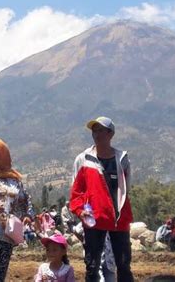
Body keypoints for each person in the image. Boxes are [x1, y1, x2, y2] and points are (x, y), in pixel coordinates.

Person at [69, 116, 134, 282]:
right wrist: (80, 210)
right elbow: (76, 192)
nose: (96, 134)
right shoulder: (83, 159)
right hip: (94, 219)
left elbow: (126, 189)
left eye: (100, 130)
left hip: (119, 219)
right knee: (92, 265)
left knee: (124, 264)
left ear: (110, 134)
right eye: (94, 131)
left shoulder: (122, 159)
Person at [0, 138, 34, 282]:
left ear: (3, 154)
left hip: (6, 236)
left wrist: (27, 215)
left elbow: (25, 200)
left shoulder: (14, 179)